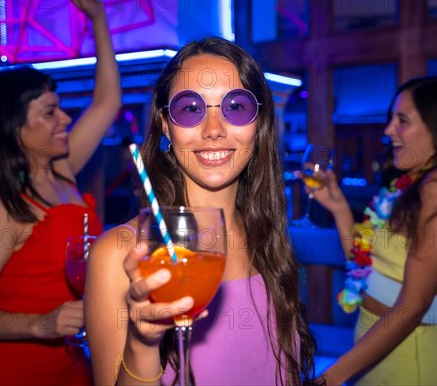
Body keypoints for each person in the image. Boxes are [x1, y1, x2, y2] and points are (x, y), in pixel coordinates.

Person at [86, 37, 317, 385]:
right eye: (191, 109)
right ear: (166, 124)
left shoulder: (266, 235)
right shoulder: (119, 254)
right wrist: (143, 343)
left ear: (259, 123)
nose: (213, 131)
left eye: (235, 107)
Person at [0, 0, 120, 383]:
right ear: (14, 129)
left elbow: (106, 103)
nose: (66, 119)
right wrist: (41, 324)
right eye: (50, 112)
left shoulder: (64, 171)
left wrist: (99, 20)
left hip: (72, 364)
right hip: (12, 370)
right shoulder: (1, 204)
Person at [308, 76, 437, 385]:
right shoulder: (409, 185)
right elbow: (364, 264)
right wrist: (338, 208)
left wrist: (330, 377)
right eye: (391, 120)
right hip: (373, 344)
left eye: (402, 120)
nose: (389, 131)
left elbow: (413, 306)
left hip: (409, 357)